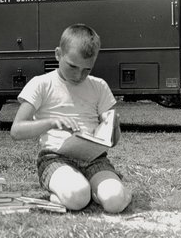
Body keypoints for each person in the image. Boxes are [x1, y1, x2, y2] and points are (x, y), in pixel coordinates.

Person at [10, 24, 132, 213]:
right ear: (58, 54)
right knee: (78, 196)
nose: (78, 75)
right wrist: (51, 123)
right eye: (73, 66)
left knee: (114, 201)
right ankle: (81, 192)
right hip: (55, 159)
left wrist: (113, 128)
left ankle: (102, 190)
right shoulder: (42, 84)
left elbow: (112, 142)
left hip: (94, 159)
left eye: (87, 70)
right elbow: (16, 131)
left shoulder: (98, 86)